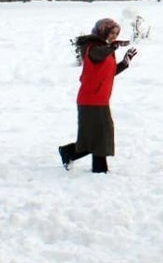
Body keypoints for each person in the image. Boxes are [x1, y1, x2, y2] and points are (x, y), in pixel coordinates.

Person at [58, 18, 138, 173]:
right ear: (103, 31)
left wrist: (124, 63)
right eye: (112, 33)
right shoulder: (92, 48)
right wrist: (113, 46)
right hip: (90, 99)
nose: (114, 36)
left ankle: (73, 155)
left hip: (99, 99)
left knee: (99, 134)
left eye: (116, 34)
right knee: (100, 134)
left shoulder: (105, 49)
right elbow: (97, 55)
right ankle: (97, 167)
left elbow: (108, 73)